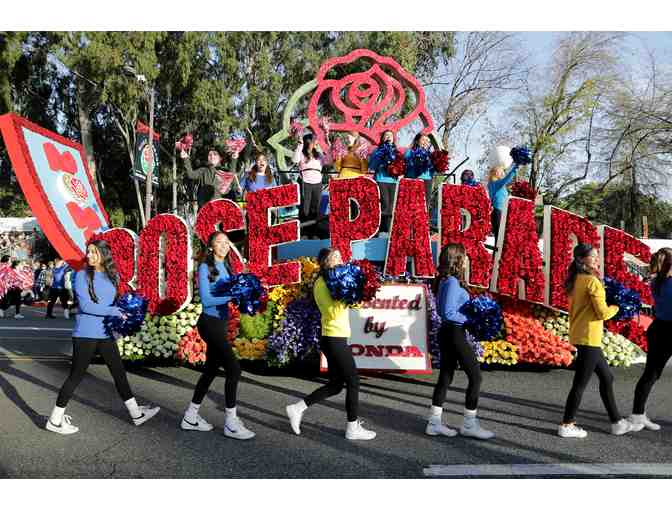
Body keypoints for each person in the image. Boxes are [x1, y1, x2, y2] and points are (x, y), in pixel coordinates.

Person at [46, 240, 160, 435]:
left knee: (118, 372)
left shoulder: (111, 276)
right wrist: (115, 311)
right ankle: (55, 420)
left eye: (94, 252)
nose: (89, 255)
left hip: (105, 333)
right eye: (88, 252)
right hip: (86, 334)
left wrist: (126, 312)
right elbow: (87, 306)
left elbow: (114, 302)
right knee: (76, 376)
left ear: (104, 254)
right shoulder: (81, 275)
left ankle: (136, 413)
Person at [285, 248, 376, 441]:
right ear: (325, 262)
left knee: (336, 386)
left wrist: (356, 294)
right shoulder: (322, 283)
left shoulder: (335, 280)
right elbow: (332, 313)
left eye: (339, 256)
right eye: (334, 257)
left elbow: (350, 305)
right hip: (333, 338)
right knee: (353, 381)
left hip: (337, 337)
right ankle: (352, 427)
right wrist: (345, 298)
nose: (339, 259)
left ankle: (297, 408)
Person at [180, 231, 255, 440]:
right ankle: (231, 422)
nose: (224, 245)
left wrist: (248, 296)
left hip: (220, 324)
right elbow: (207, 300)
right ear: (211, 247)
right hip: (209, 323)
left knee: (211, 370)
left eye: (226, 242)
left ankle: (190, 416)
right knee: (234, 369)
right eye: (219, 242)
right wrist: (233, 295)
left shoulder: (228, 266)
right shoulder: (205, 267)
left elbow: (232, 294)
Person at [558, 243, 633, 438]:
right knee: (580, 384)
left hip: (581, 334)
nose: (597, 259)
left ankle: (617, 422)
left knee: (607, 377)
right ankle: (567, 424)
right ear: (582, 259)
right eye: (593, 256)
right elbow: (602, 313)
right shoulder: (592, 281)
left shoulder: (575, 279)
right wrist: (618, 308)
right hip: (589, 336)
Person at [427, 243, 495, 439]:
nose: (466, 260)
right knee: (476, 377)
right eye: (464, 257)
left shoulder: (447, 280)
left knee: (446, 378)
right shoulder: (451, 283)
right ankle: (469, 424)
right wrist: (472, 319)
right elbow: (447, 312)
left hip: (450, 332)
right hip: (453, 333)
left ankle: (434, 423)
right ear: (456, 259)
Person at [629, 247, 672, 431]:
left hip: (658, 328)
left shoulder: (657, 282)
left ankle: (637, 415)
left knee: (650, 374)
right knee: (651, 374)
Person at [292, 132, 330, 226]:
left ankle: (314, 232)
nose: (315, 142)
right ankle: (304, 231)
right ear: (308, 141)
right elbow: (295, 160)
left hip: (317, 182)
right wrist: (300, 144)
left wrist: (327, 137)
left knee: (316, 206)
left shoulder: (319, 155)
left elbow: (328, 161)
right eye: (313, 140)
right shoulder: (301, 153)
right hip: (305, 182)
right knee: (305, 206)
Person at [486, 146, 518, 243]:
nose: (503, 172)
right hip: (498, 212)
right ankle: (496, 257)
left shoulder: (497, 185)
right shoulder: (495, 184)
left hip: (501, 211)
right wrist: (515, 167)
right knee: (500, 239)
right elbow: (506, 179)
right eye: (501, 171)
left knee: (501, 239)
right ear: (496, 172)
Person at [368, 129, 398, 234]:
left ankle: (390, 230)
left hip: (394, 181)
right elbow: (371, 165)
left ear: (394, 139)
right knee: (384, 204)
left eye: (391, 135)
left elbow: (401, 166)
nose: (389, 137)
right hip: (381, 180)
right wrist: (381, 156)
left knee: (392, 206)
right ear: (382, 138)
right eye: (386, 135)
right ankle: (380, 230)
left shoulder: (396, 151)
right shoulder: (378, 150)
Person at [404, 133, 436, 214]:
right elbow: (406, 163)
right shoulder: (410, 152)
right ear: (417, 141)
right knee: (412, 202)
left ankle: (423, 223)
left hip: (427, 180)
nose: (425, 142)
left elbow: (434, 169)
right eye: (423, 140)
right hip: (413, 179)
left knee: (425, 204)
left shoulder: (431, 155)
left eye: (428, 141)